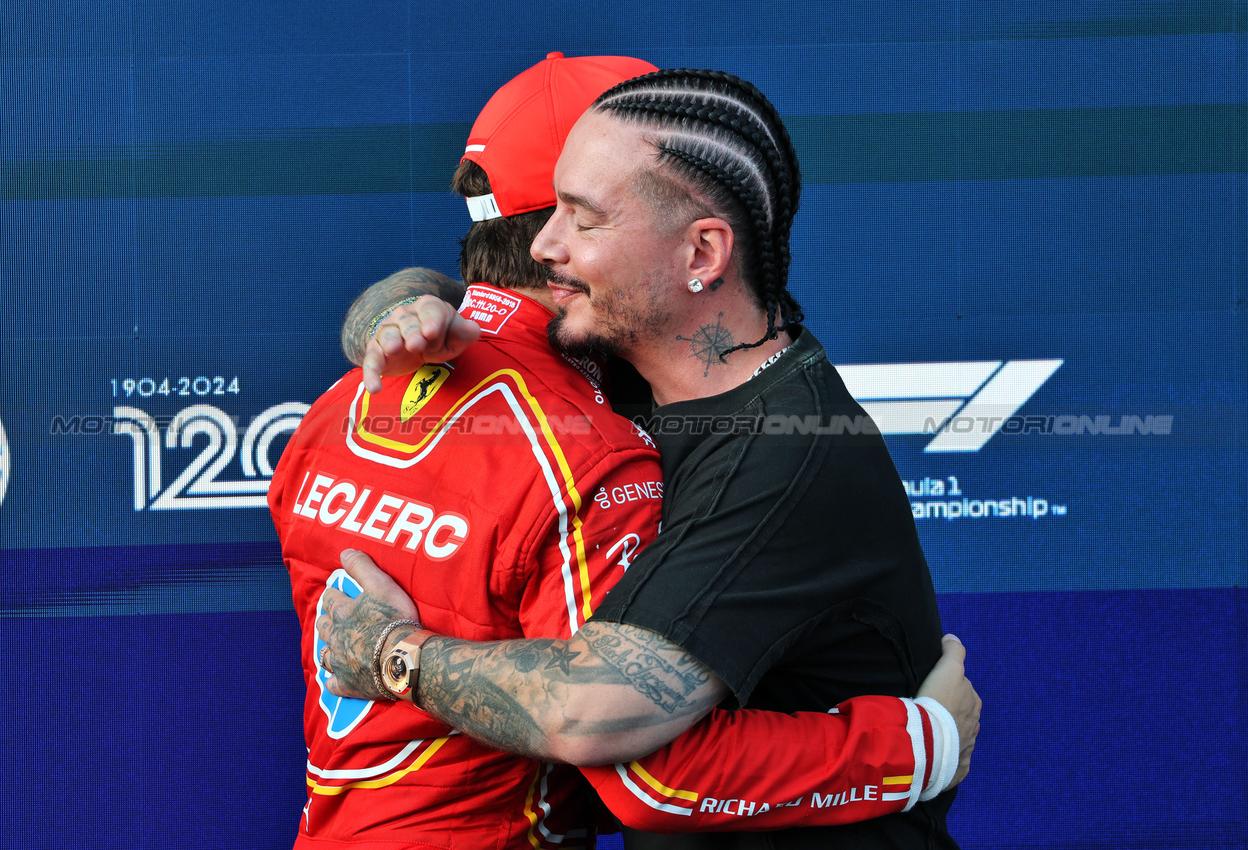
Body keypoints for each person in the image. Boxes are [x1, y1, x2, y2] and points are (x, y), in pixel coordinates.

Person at [309, 62, 978, 849]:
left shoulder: (780, 458)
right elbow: (491, 305)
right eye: (546, 211)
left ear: (700, 254)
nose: (547, 247)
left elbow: (613, 741)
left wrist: (391, 656)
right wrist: (397, 304)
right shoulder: (632, 368)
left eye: (581, 219)